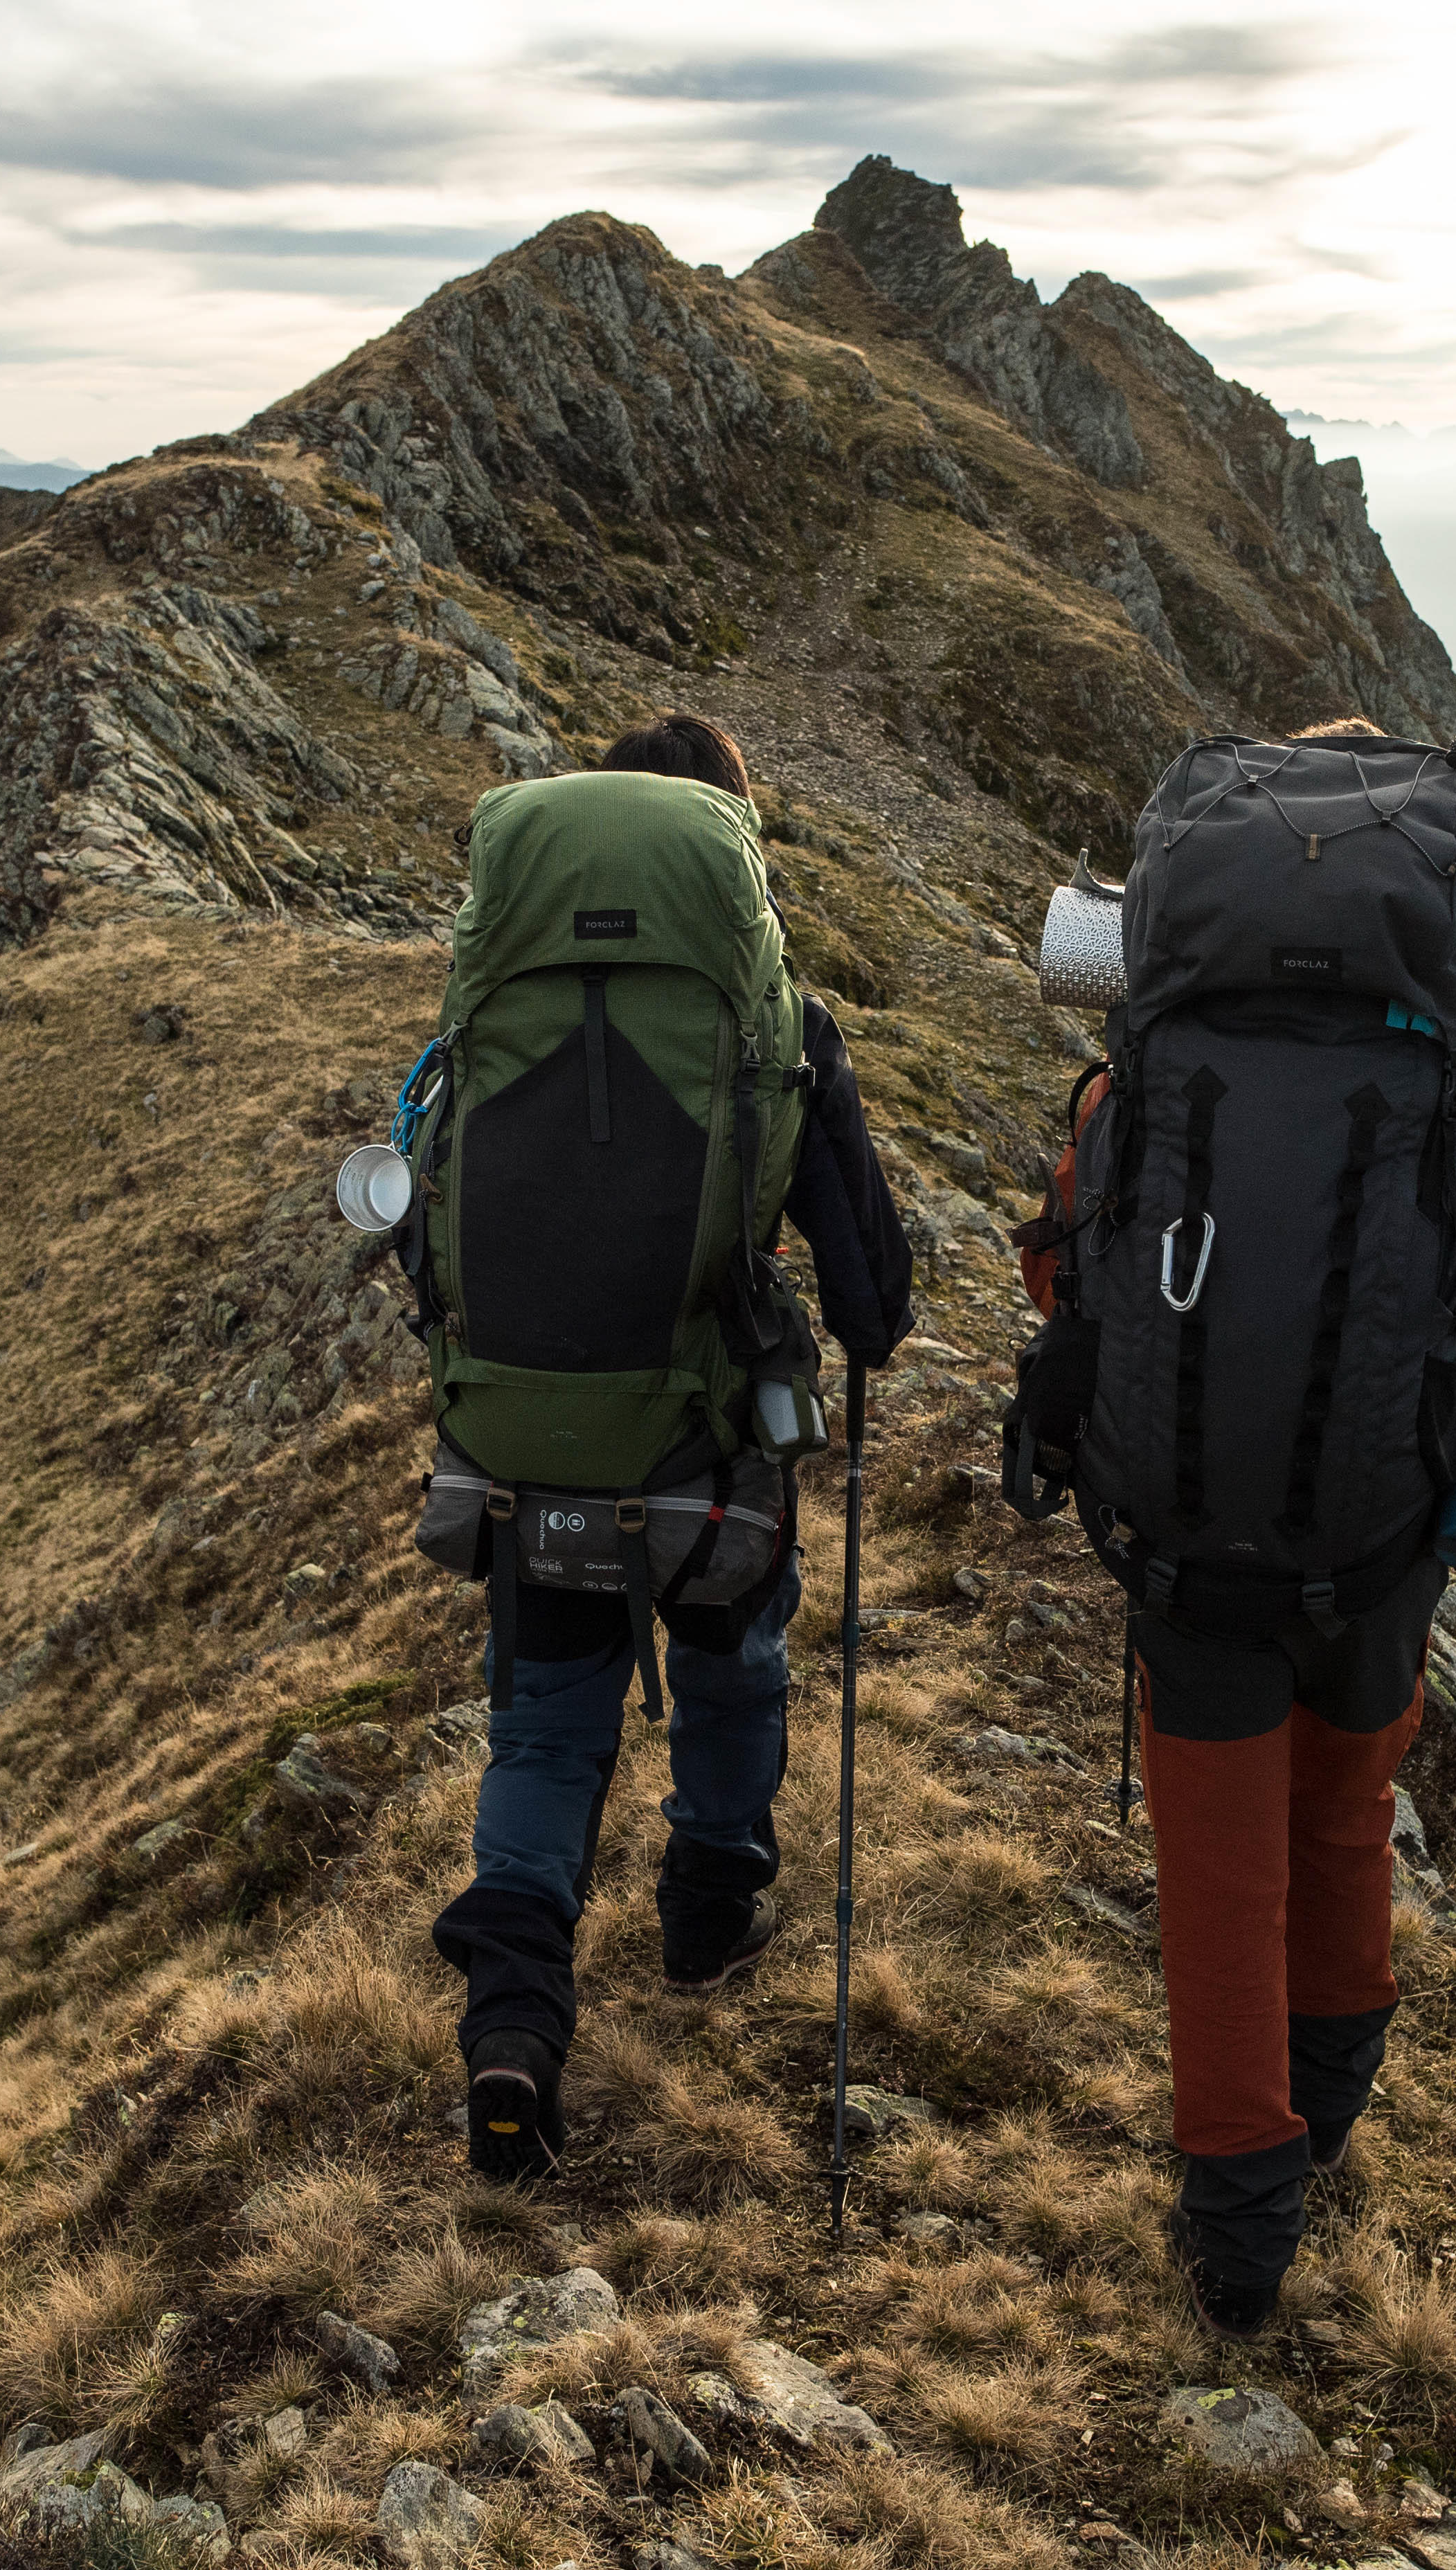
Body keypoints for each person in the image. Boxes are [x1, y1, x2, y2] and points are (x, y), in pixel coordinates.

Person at [1009, 717, 1456, 2333]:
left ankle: (1239, 2235)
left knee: (1213, 1869)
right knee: (1340, 1817)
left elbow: (1075, 1270)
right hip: (1379, 1533)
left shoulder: (1150, 1070)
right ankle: (1329, 2099)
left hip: (1186, 1529)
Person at [415, 711, 914, 2182]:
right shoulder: (780, 1026)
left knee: (548, 1729)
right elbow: (876, 1304)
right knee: (735, 1661)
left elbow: (431, 1234)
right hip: (707, 1458)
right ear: (735, 856)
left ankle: (513, 2023)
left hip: (527, 1442)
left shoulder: (485, 1008)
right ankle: (708, 1912)